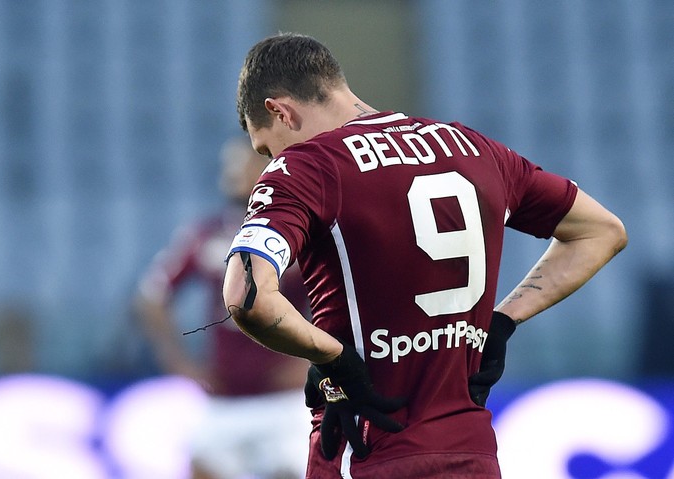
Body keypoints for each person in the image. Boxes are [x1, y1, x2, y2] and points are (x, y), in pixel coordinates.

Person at [222, 33, 627, 478]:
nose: (271, 158)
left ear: (278, 110)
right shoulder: (474, 147)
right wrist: (503, 321)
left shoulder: (306, 167)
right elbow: (601, 231)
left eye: (266, 147)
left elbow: (248, 294)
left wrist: (332, 357)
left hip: (369, 452)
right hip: (471, 454)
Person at [135, 137, 313, 479]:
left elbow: (344, 296)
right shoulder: (205, 235)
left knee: (296, 470)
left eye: (244, 162)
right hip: (225, 397)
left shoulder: (300, 231)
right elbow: (152, 298)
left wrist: (313, 358)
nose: (234, 172)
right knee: (201, 466)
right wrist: (179, 362)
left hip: (285, 399)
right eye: (230, 164)